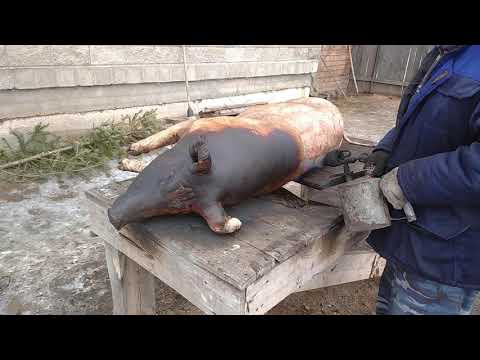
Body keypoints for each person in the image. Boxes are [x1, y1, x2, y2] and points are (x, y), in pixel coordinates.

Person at [366, 45, 480, 315]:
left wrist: (408, 180)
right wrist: (386, 149)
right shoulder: (446, 53)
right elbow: (416, 120)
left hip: (445, 254)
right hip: (412, 237)